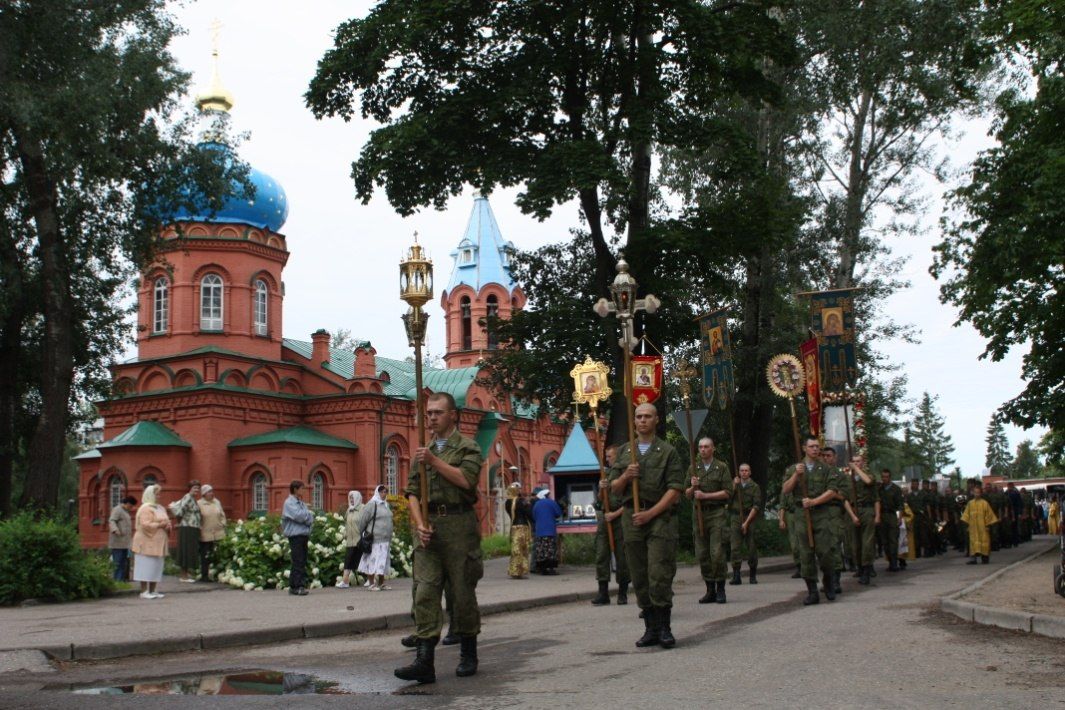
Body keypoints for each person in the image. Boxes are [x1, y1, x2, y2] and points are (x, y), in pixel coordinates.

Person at [395, 392, 484, 685]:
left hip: (459, 527)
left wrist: (433, 461)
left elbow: (466, 481)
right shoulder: (424, 451)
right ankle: (424, 661)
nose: (432, 417)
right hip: (429, 530)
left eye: (438, 412)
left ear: (453, 415)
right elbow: (411, 493)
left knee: (461, 593)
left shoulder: (468, 447)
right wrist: (420, 524)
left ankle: (468, 652)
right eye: (429, 413)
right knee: (424, 591)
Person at [608, 403, 685, 649]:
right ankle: (650, 627)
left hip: (659, 518)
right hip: (632, 517)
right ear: (634, 421)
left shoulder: (667, 451)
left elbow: (675, 489)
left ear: (656, 420)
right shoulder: (625, 451)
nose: (643, 420)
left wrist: (651, 513)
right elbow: (613, 488)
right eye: (639, 416)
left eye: (647, 416)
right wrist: (625, 476)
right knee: (639, 574)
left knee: (659, 572)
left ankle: (664, 627)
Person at [781, 438, 840, 606]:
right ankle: (812, 591)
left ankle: (828, 581)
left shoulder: (826, 469)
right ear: (804, 448)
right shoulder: (795, 468)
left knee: (825, 552)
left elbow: (832, 491)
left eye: (817, 446)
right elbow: (786, 489)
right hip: (801, 515)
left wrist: (814, 501)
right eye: (811, 446)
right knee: (805, 554)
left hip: (821, 513)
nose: (815, 449)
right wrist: (796, 475)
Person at [685, 437, 732, 604]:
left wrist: (706, 495)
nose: (703, 449)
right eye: (700, 447)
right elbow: (687, 494)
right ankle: (710, 589)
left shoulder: (721, 467)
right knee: (702, 553)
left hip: (716, 513)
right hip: (698, 514)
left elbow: (728, 492)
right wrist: (693, 487)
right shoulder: (693, 468)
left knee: (716, 552)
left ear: (713, 449)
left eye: (706, 447)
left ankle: (721, 588)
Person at [592, 453, 629, 605]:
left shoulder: (625, 475)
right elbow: (600, 499)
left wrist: (615, 514)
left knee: (622, 556)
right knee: (601, 554)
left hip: (620, 518)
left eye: (610, 456)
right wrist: (602, 489)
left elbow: (630, 502)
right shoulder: (605, 475)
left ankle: (622, 592)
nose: (607, 459)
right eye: (606, 457)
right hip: (605, 518)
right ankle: (603, 593)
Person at [131, 484, 171, 599]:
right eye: (157, 494)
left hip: (159, 542)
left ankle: (153, 590)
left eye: (159, 494)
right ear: (150, 495)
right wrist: (160, 525)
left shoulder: (160, 508)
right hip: (146, 542)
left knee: (156, 566)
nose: (159, 496)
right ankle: (144, 591)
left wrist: (168, 526)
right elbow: (145, 524)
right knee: (145, 566)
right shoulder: (145, 508)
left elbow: (167, 521)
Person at [846, 456, 880, 585]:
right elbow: (845, 499)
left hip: (867, 510)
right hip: (853, 511)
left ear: (863, 462)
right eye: (853, 461)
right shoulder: (848, 479)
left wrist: (877, 516)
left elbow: (868, 482)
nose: (856, 463)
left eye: (858, 461)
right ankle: (859, 567)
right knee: (855, 544)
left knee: (867, 542)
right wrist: (852, 516)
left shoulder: (869, 475)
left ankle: (866, 569)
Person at [729, 463, 762, 585]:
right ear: (739, 472)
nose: (744, 473)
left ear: (750, 472)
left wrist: (747, 523)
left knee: (751, 546)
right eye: (742, 470)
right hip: (736, 517)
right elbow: (727, 499)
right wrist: (733, 486)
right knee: (735, 547)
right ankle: (736, 575)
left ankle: (752, 574)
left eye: (746, 470)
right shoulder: (735, 485)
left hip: (750, 516)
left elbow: (756, 506)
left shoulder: (755, 487)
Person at [358, 485, 395, 590]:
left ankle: (381, 583)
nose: (384, 494)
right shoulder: (372, 504)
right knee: (373, 561)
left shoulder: (386, 505)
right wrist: (361, 533)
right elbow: (363, 520)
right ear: (377, 493)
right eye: (382, 492)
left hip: (385, 539)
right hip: (374, 539)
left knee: (382, 562)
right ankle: (371, 583)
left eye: (385, 492)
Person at [281, 480, 314, 596]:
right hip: (295, 535)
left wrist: (308, 516)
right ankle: (297, 586)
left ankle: (295, 585)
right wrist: (308, 515)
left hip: (303, 535)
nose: (303, 490)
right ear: (295, 489)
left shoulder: (300, 502)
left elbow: (309, 517)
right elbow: (299, 516)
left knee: (302, 560)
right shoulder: (289, 503)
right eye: (301, 488)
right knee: (298, 560)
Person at [168, 480, 201, 582]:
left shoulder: (193, 499)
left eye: (198, 488)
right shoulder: (188, 497)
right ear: (190, 488)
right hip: (187, 528)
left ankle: (185, 573)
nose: (197, 490)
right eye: (195, 488)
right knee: (185, 551)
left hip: (192, 527)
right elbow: (180, 512)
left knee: (189, 551)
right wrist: (180, 522)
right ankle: (183, 576)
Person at [961, 483, 999, 564]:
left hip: (983, 527)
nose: (977, 494)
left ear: (981, 493)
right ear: (973, 493)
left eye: (978, 492)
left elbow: (989, 515)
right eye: (975, 492)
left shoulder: (985, 503)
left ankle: (985, 557)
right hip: (973, 528)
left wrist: (988, 525)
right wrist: (967, 525)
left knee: (984, 542)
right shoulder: (970, 503)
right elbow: (966, 515)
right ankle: (973, 559)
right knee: (973, 542)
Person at [197, 485, 226, 582]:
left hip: (219, 532)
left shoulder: (217, 502)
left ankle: (218, 575)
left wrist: (223, 524)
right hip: (205, 533)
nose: (211, 493)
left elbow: (222, 515)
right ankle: (204, 575)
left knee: (218, 555)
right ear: (204, 494)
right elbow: (197, 518)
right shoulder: (199, 504)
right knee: (205, 556)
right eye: (209, 492)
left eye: (212, 491)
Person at [877, 469, 904, 572]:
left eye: (887, 477)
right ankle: (890, 561)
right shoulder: (879, 489)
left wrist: (899, 518)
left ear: (890, 477)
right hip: (882, 516)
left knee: (893, 540)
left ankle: (894, 563)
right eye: (883, 477)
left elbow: (900, 505)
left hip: (892, 516)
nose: (885, 479)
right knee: (885, 541)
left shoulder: (896, 489)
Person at [531, 489, 563, 575]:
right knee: (550, 549)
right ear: (546, 496)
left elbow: (533, 516)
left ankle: (543, 569)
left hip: (539, 531)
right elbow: (558, 513)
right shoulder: (551, 502)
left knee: (541, 550)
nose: (550, 496)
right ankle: (551, 569)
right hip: (550, 530)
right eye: (549, 495)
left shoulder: (536, 504)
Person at [505, 483, 532, 579]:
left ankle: (515, 570)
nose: (520, 490)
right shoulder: (521, 502)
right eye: (519, 489)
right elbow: (528, 513)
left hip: (513, 527)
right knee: (523, 549)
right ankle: (519, 571)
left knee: (516, 549)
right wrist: (528, 505)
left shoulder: (507, 502)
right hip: (522, 527)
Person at [338, 490, 364, 589]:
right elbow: (346, 523)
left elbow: (366, 522)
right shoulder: (349, 510)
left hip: (360, 539)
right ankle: (345, 581)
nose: (351, 500)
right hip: (350, 540)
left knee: (363, 560)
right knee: (348, 560)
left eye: (353, 498)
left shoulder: (363, 509)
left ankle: (372, 579)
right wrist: (345, 533)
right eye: (350, 498)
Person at [108, 495, 136, 582]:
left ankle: (121, 580)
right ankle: (117, 581)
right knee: (118, 562)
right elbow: (112, 520)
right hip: (117, 542)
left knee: (123, 563)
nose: (131, 508)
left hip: (125, 543)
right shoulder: (117, 509)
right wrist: (115, 530)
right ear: (127, 503)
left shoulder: (125, 511)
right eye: (131, 506)